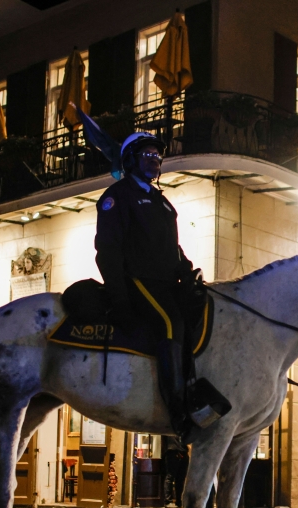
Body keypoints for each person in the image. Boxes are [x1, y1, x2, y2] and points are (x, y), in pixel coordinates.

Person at [94, 132, 225, 434]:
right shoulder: (118, 196)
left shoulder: (162, 203)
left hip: (168, 281)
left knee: (199, 317)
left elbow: (171, 247)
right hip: (138, 279)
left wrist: (187, 269)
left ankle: (193, 390)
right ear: (131, 160)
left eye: (158, 157)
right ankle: (177, 411)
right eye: (148, 156)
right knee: (171, 324)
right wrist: (120, 298)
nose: (155, 161)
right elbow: (108, 250)